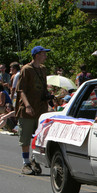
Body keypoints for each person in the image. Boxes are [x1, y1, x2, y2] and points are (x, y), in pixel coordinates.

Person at [16, 45, 51, 175]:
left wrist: (48, 102)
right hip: (27, 109)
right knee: (25, 138)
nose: (45, 56)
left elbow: (44, 89)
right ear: (37, 55)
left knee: (39, 137)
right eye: (43, 54)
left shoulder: (43, 69)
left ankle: (35, 160)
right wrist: (27, 105)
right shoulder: (26, 69)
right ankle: (25, 163)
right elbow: (21, 90)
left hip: (40, 108)